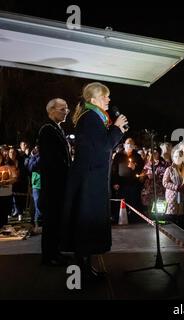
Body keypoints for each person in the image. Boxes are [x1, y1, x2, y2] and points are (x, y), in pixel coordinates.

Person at [61, 82, 128, 279]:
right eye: (105, 96)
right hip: (89, 182)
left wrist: (116, 130)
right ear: (93, 100)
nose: (109, 100)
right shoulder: (91, 118)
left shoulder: (94, 118)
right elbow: (103, 146)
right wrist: (116, 129)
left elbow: (101, 146)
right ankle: (82, 270)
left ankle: (85, 266)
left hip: (90, 179)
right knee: (86, 222)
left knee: (87, 223)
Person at [37, 98, 72, 266]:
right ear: (51, 110)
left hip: (59, 184)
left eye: (66, 108)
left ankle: (55, 252)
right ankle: (49, 256)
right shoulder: (47, 130)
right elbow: (52, 160)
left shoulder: (56, 128)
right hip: (53, 186)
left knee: (56, 221)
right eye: (62, 109)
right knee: (51, 222)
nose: (66, 111)